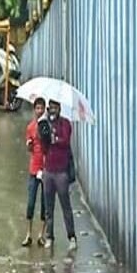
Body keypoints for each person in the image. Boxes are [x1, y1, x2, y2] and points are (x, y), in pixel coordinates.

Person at [40, 98, 77, 251]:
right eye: (50, 108)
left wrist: (56, 138)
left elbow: (65, 141)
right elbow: (43, 146)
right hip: (48, 170)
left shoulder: (65, 124)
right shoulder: (44, 124)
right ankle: (49, 236)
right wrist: (45, 134)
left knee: (65, 206)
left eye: (55, 107)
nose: (52, 110)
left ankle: (72, 237)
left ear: (59, 109)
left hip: (61, 172)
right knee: (48, 208)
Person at [23, 97, 47, 246]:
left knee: (45, 204)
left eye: (41, 108)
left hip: (46, 168)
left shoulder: (47, 126)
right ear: (34, 109)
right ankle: (28, 233)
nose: (39, 111)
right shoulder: (30, 127)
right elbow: (29, 149)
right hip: (34, 167)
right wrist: (29, 144)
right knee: (31, 202)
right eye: (37, 108)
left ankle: (41, 234)